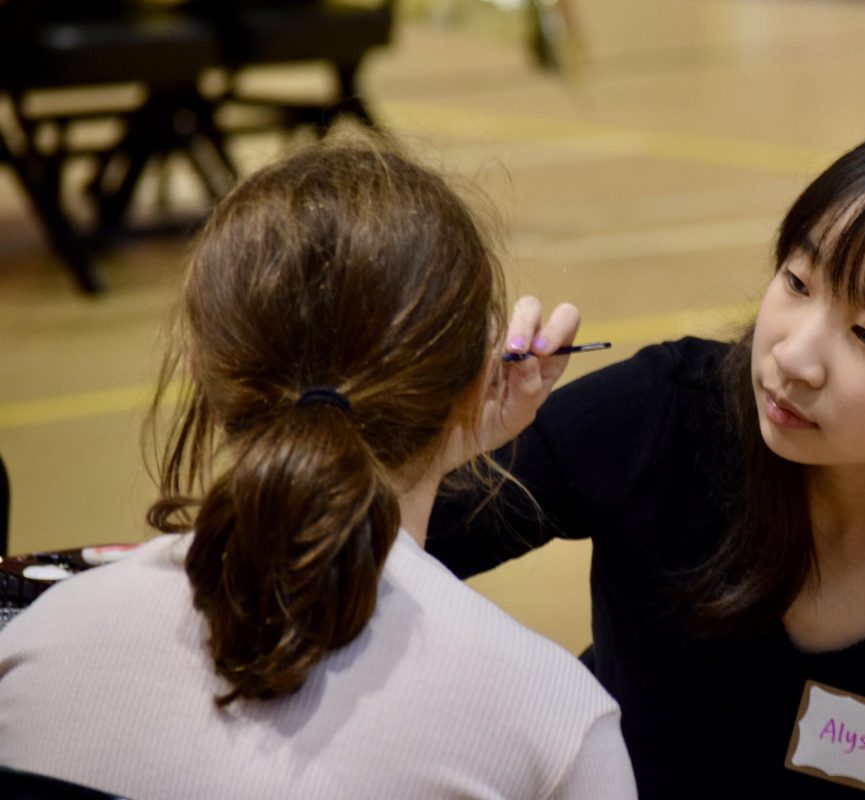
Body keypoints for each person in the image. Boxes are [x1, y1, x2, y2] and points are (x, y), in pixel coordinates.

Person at [427, 105, 865, 799]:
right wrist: (453, 444)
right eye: (798, 282)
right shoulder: (667, 417)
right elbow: (358, 563)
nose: (794, 356)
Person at [0, 135, 637, 799]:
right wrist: (459, 420)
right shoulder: (550, 724)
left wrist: (458, 418)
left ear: (200, 367)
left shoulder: (37, 648)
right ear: (478, 381)